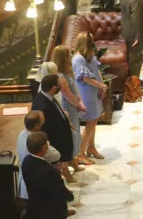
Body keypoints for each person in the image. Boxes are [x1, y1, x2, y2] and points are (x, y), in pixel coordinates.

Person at [31, 75, 75, 183]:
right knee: (57, 166)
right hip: (55, 140)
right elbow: (43, 128)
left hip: (60, 136)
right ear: (53, 88)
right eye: (58, 84)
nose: (60, 86)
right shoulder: (41, 104)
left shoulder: (47, 96)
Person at [21, 131, 74, 219]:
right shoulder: (49, 171)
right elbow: (59, 191)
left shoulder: (26, 161)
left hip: (35, 208)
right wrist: (70, 197)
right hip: (52, 212)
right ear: (44, 147)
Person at [72, 32, 108, 161]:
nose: (93, 43)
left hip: (95, 92)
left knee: (94, 120)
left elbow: (97, 70)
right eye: (91, 41)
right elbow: (85, 78)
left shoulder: (88, 56)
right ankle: (80, 153)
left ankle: (91, 147)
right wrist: (101, 86)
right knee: (90, 121)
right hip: (87, 93)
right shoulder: (78, 59)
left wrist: (102, 85)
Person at [53, 45, 90, 168]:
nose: (70, 56)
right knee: (72, 134)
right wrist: (79, 104)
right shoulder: (60, 76)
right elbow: (68, 94)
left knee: (76, 132)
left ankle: (73, 160)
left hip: (74, 105)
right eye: (68, 54)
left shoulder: (68, 70)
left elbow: (75, 88)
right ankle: (71, 160)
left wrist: (81, 101)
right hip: (68, 107)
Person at [16, 111, 62, 201]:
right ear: (36, 125)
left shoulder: (22, 133)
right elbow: (56, 155)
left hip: (29, 175)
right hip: (38, 178)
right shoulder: (36, 141)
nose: (44, 117)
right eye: (42, 118)